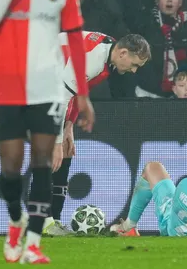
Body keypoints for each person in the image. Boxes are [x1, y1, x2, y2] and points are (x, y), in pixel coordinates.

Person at [0, 0, 94, 263]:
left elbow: (75, 37)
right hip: (9, 88)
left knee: (44, 163)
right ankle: (16, 219)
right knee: (12, 168)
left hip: (47, 89)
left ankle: (32, 240)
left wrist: (84, 96)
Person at [42, 31, 151, 235]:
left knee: (64, 151)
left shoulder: (108, 53)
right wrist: (56, 142)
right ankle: (42, 220)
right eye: (134, 64)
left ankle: (53, 220)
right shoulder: (93, 59)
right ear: (123, 53)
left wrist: (68, 127)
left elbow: (74, 92)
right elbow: (60, 96)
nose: (134, 71)